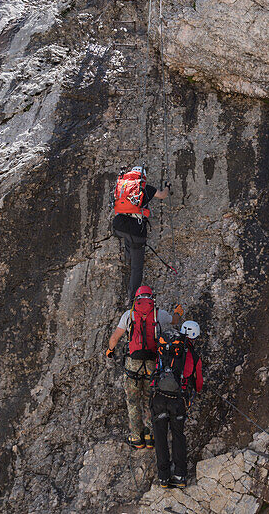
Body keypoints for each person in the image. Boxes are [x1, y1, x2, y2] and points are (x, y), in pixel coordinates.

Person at [106, 285, 176, 449]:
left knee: (133, 401)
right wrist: (178, 312)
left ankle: (136, 438)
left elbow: (115, 337)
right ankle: (150, 436)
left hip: (133, 364)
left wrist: (110, 350)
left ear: (136, 299)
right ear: (152, 298)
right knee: (149, 400)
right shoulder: (158, 313)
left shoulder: (129, 314)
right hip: (152, 362)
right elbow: (174, 320)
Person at [150, 320, 203, 488]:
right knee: (178, 437)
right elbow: (199, 384)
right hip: (177, 400)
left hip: (159, 397)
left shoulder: (165, 349)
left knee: (160, 438)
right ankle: (180, 475)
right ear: (194, 337)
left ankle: (163, 477)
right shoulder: (194, 356)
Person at [112, 166, 169, 302]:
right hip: (136, 230)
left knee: (128, 239)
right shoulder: (144, 187)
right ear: (143, 176)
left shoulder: (122, 184)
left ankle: (128, 258)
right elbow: (162, 195)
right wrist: (168, 187)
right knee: (137, 268)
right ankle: (132, 299)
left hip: (118, 224)